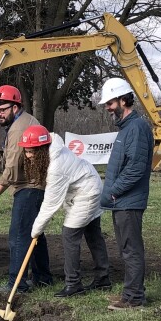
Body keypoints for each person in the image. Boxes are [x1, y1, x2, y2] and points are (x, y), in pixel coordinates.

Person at [21, 125, 110, 298]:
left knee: (69, 235)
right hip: (89, 182)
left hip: (87, 192)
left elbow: (50, 204)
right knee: (93, 233)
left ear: (42, 149)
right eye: (26, 151)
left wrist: (35, 230)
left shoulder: (56, 167)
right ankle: (103, 277)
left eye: (32, 152)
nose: (29, 156)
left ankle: (73, 283)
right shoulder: (52, 145)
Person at [0, 85, 53, 293]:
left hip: (29, 187)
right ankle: (42, 277)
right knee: (35, 233)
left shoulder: (17, 129)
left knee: (18, 236)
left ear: (15, 106)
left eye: (3, 109)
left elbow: (12, 171)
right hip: (37, 185)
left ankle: (17, 284)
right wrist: (0, 152)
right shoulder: (26, 120)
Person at [99, 77, 153, 310]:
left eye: (110, 103)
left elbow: (136, 168)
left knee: (131, 250)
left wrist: (113, 191)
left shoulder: (137, 128)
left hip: (127, 201)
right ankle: (130, 295)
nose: (108, 108)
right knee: (126, 249)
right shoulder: (127, 128)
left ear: (123, 100)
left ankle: (135, 298)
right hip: (121, 201)